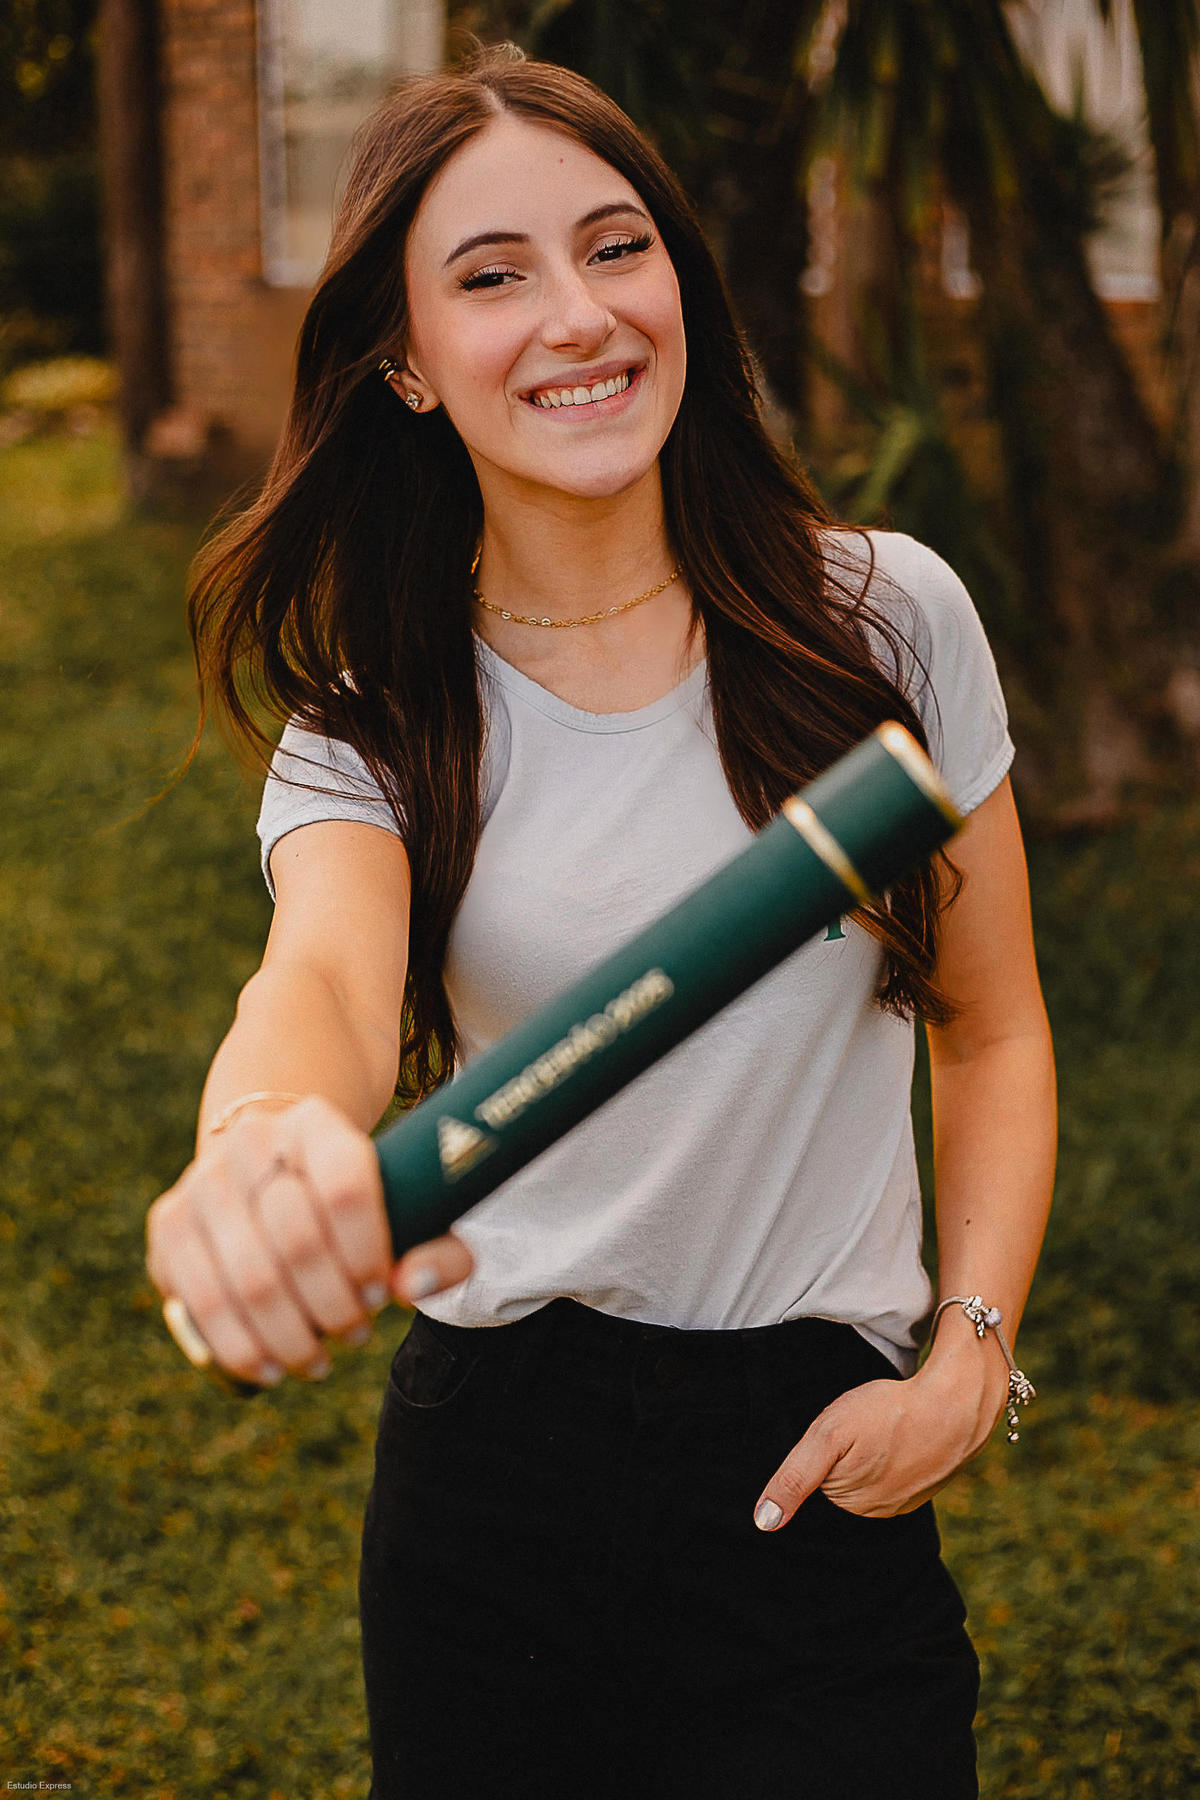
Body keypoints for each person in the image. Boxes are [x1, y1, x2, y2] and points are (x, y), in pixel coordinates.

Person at [146, 43, 1056, 1800]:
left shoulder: (887, 626)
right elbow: (318, 993)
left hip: (815, 1469)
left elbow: (995, 1025)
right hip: (501, 1492)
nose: (579, 315)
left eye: (614, 246)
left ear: (681, 286)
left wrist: (968, 1362)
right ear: (404, 362)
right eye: (493, 277)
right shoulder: (378, 715)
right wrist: (262, 1148)